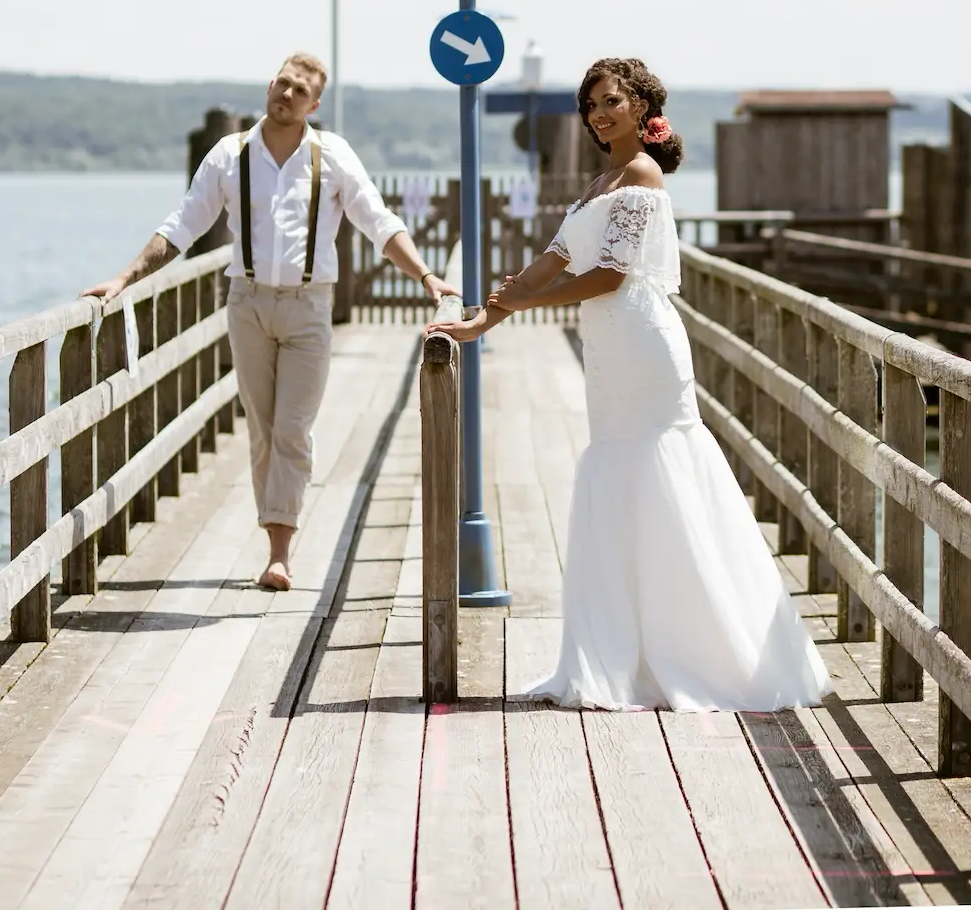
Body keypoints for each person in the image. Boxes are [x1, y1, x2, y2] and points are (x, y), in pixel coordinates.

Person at [428, 57, 832, 711]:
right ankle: (626, 649)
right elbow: (552, 261)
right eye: (590, 105)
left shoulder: (642, 175)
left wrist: (527, 308)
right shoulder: (598, 181)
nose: (599, 114)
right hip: (609, 346)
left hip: (642, 341)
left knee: (661, 468)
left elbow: (611, 275)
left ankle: (699, 650)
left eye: (611, 101)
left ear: (643, 107)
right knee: (619, 470)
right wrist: (483, 318)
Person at [85, 53, 457, 591]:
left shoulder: (332, 156)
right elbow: (184, 223)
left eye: (299, 90)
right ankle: (273, 540)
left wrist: (426, 277)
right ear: (269, 86)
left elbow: (378, 221)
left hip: (309, 307)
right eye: (282, 83)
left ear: (314, 104)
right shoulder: (229, 154)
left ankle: (280, 552)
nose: (287, 94)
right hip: (248, 303)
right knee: (262, 430)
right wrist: (123, 279)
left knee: (291, 428)